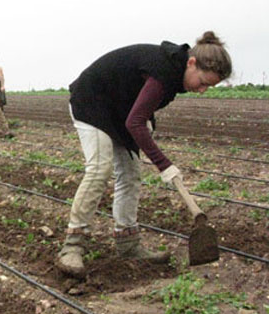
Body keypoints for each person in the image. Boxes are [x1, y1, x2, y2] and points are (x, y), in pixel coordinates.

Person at [57, 31, 232, 278]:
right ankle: (72, 246)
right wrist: (164, 164)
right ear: (191, 63)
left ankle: (128, 244)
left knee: (130, 174)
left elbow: (138, 103)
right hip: (92, 103)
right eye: (203, 82)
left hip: (119, 110)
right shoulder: (164, 70)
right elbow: (135, 123)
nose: (202, 90)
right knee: (100, 169)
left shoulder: (175, 76)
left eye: (208, 87)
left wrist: (146, 121)